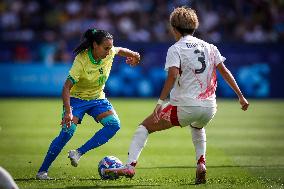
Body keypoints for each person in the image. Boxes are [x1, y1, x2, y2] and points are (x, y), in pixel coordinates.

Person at [104, 6, 249, 184]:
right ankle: (201, 163)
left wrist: (159, 103)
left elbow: (172, 75)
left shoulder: (176, 48)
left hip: (186, 106)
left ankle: (129, 166)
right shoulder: (210, 47)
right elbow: (225, 71)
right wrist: (241, 96)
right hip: (210, 108)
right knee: (197, 127)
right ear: (194, 26)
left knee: (144, 127)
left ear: (174, 28)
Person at [36, 28, 140, 180]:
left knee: (114, 125)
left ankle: (78, 153)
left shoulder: (109, 52)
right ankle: (42, 172)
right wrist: (68, 112)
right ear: (94, 45)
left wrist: (134, 55)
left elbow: (120, 50)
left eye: (110, 47)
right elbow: (66, 87)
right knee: (67, 133)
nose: (109, 51)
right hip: (76, 99)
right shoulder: (81, 60)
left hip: (97, 98)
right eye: (106, 48)